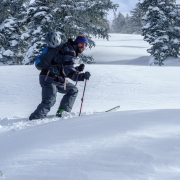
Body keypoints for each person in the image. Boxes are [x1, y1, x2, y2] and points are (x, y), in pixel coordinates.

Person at [29, 32, 91, 120]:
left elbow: (63, 68)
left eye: (85, 44)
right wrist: (81, 76)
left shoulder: (68, 49)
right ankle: (34, 120)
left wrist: (77, 69)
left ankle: (62, 113)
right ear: (76, 43)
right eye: (81, 43)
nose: (83, 46)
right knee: (49, 101)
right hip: (49, 78)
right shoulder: (70, 50)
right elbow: (68, 70)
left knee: (73, 90)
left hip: (57, 79)